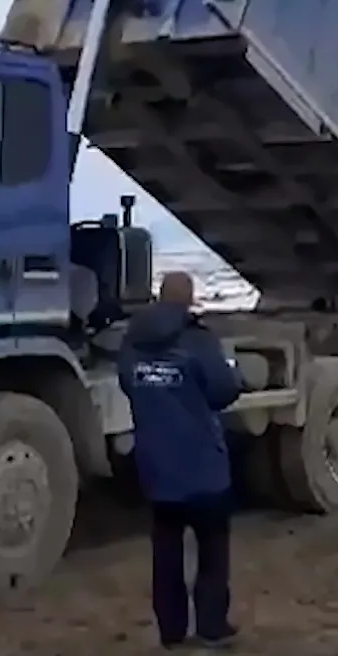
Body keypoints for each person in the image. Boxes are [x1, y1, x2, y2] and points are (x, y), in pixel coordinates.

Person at [118, 270, 244, 650]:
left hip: (157, 469)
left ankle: (171, 631)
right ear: (189, 300)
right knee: (212, 551)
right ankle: (211, 626)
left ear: (159, 296)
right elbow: (223, 391)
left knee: (167, 555)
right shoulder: (197, 340)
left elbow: (127, 383)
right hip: (204, 467)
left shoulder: (133, 342)